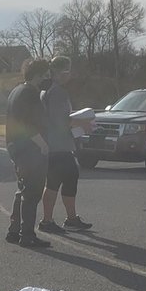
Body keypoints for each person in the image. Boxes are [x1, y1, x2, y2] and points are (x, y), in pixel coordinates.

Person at [37, 56, 92, 233]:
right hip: (57, 144)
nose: (70, 74)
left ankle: (70, 218)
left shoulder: (50, 90)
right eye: (67, 70)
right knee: (55, 181)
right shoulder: (57, 92)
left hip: (57, 144)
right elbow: (61, 120)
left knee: (68, 177)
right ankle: (47, 220)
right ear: (61, 72)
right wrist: (82, 123)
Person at [5, 58, 51, 248]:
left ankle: (14, 230)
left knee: (22, 190)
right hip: (29, 149)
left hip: (15, 146)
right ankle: (27, 234)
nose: (47, 77)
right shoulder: (31, 94)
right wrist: (43, 144)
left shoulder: (16, 91)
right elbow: (29, 124)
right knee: (32, 193)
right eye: (45, 74)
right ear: (38, 74)